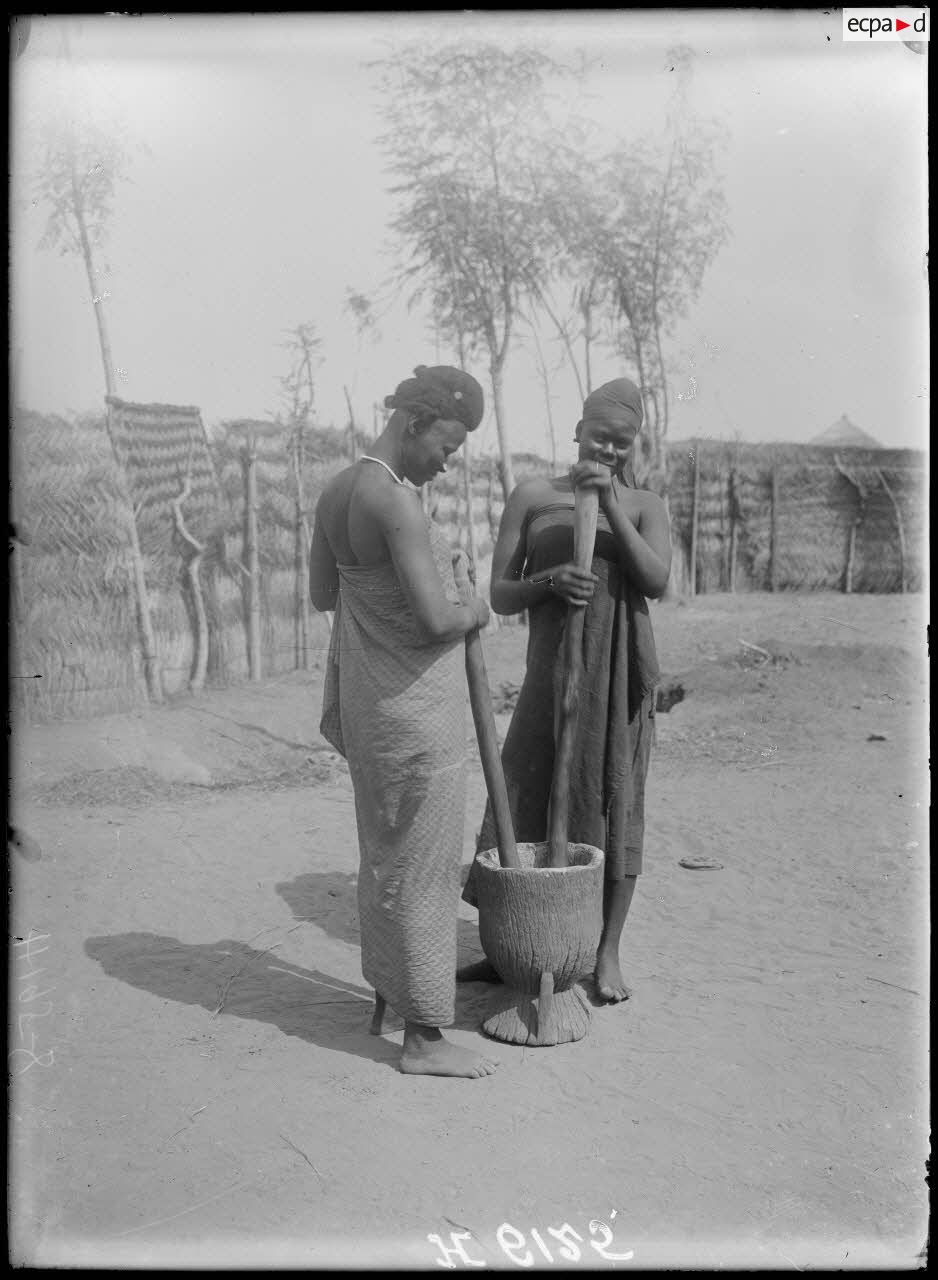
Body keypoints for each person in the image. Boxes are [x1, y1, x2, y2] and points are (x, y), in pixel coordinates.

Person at [309, 364, 499, 1078]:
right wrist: (475, 608)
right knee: (424, 868)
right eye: (445, 447)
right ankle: (423, 1038)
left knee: (384, 854)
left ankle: (386, 999)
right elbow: (433, 621)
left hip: (367, 701)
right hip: (417, 711)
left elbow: (325, 594)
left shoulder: (334, 493)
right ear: (415, 424)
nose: (446, 462)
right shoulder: (398, 504)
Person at [460, 376, 671, 1003]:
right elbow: (499, 593)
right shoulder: (531, 496)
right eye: (599, 437)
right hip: (549, 679)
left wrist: (607, 507)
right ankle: (505, 947)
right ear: (578, 429)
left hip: (615, 683)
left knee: (612, 802)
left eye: (621, 444)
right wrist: (547, 580)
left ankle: (605, 954)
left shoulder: (645, 505)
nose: (607, 451)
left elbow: (656, 579)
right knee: (521, 795)